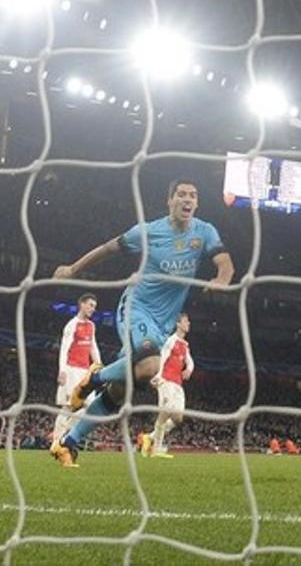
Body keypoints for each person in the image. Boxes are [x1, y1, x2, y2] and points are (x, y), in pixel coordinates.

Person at [50, 179, 234, 468]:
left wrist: (222, 280)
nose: (188, 200)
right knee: (149, 367)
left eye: (193, 196)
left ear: (197, 203)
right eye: (181, 194)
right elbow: (108, 248)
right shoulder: (148, 232)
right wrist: (73, 268)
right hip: (136, 308)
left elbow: (225, 263)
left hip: (163, 323)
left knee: (121, 392)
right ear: (170, 200)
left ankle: (68, 443)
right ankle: (94, 378)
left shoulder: (204, 231)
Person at [140, 313, 194, 459]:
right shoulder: (171, 341)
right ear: (178, 324)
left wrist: (189, 369)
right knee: (166, 410)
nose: (188, 323)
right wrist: (158, 375)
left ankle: (149, 438)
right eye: (186, 321)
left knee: (178, 418)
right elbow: (163, 356)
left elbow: (190, 361)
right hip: (166, 380)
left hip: (178, 383)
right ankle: (156, 449)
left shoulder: (184, 345)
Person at [53, 293, 102, 442]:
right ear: (82, 304)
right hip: (71, 369)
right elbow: (64, 348)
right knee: (67, 407)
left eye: (94, 306)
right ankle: (56, 441)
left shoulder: (91, 326)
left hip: (85, 372)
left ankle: (65, 431)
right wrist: (62, 370)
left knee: (90, 407)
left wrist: (99, 366)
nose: (92, 309)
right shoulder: (72, 325)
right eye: (90, 305)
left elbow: (93, 347)